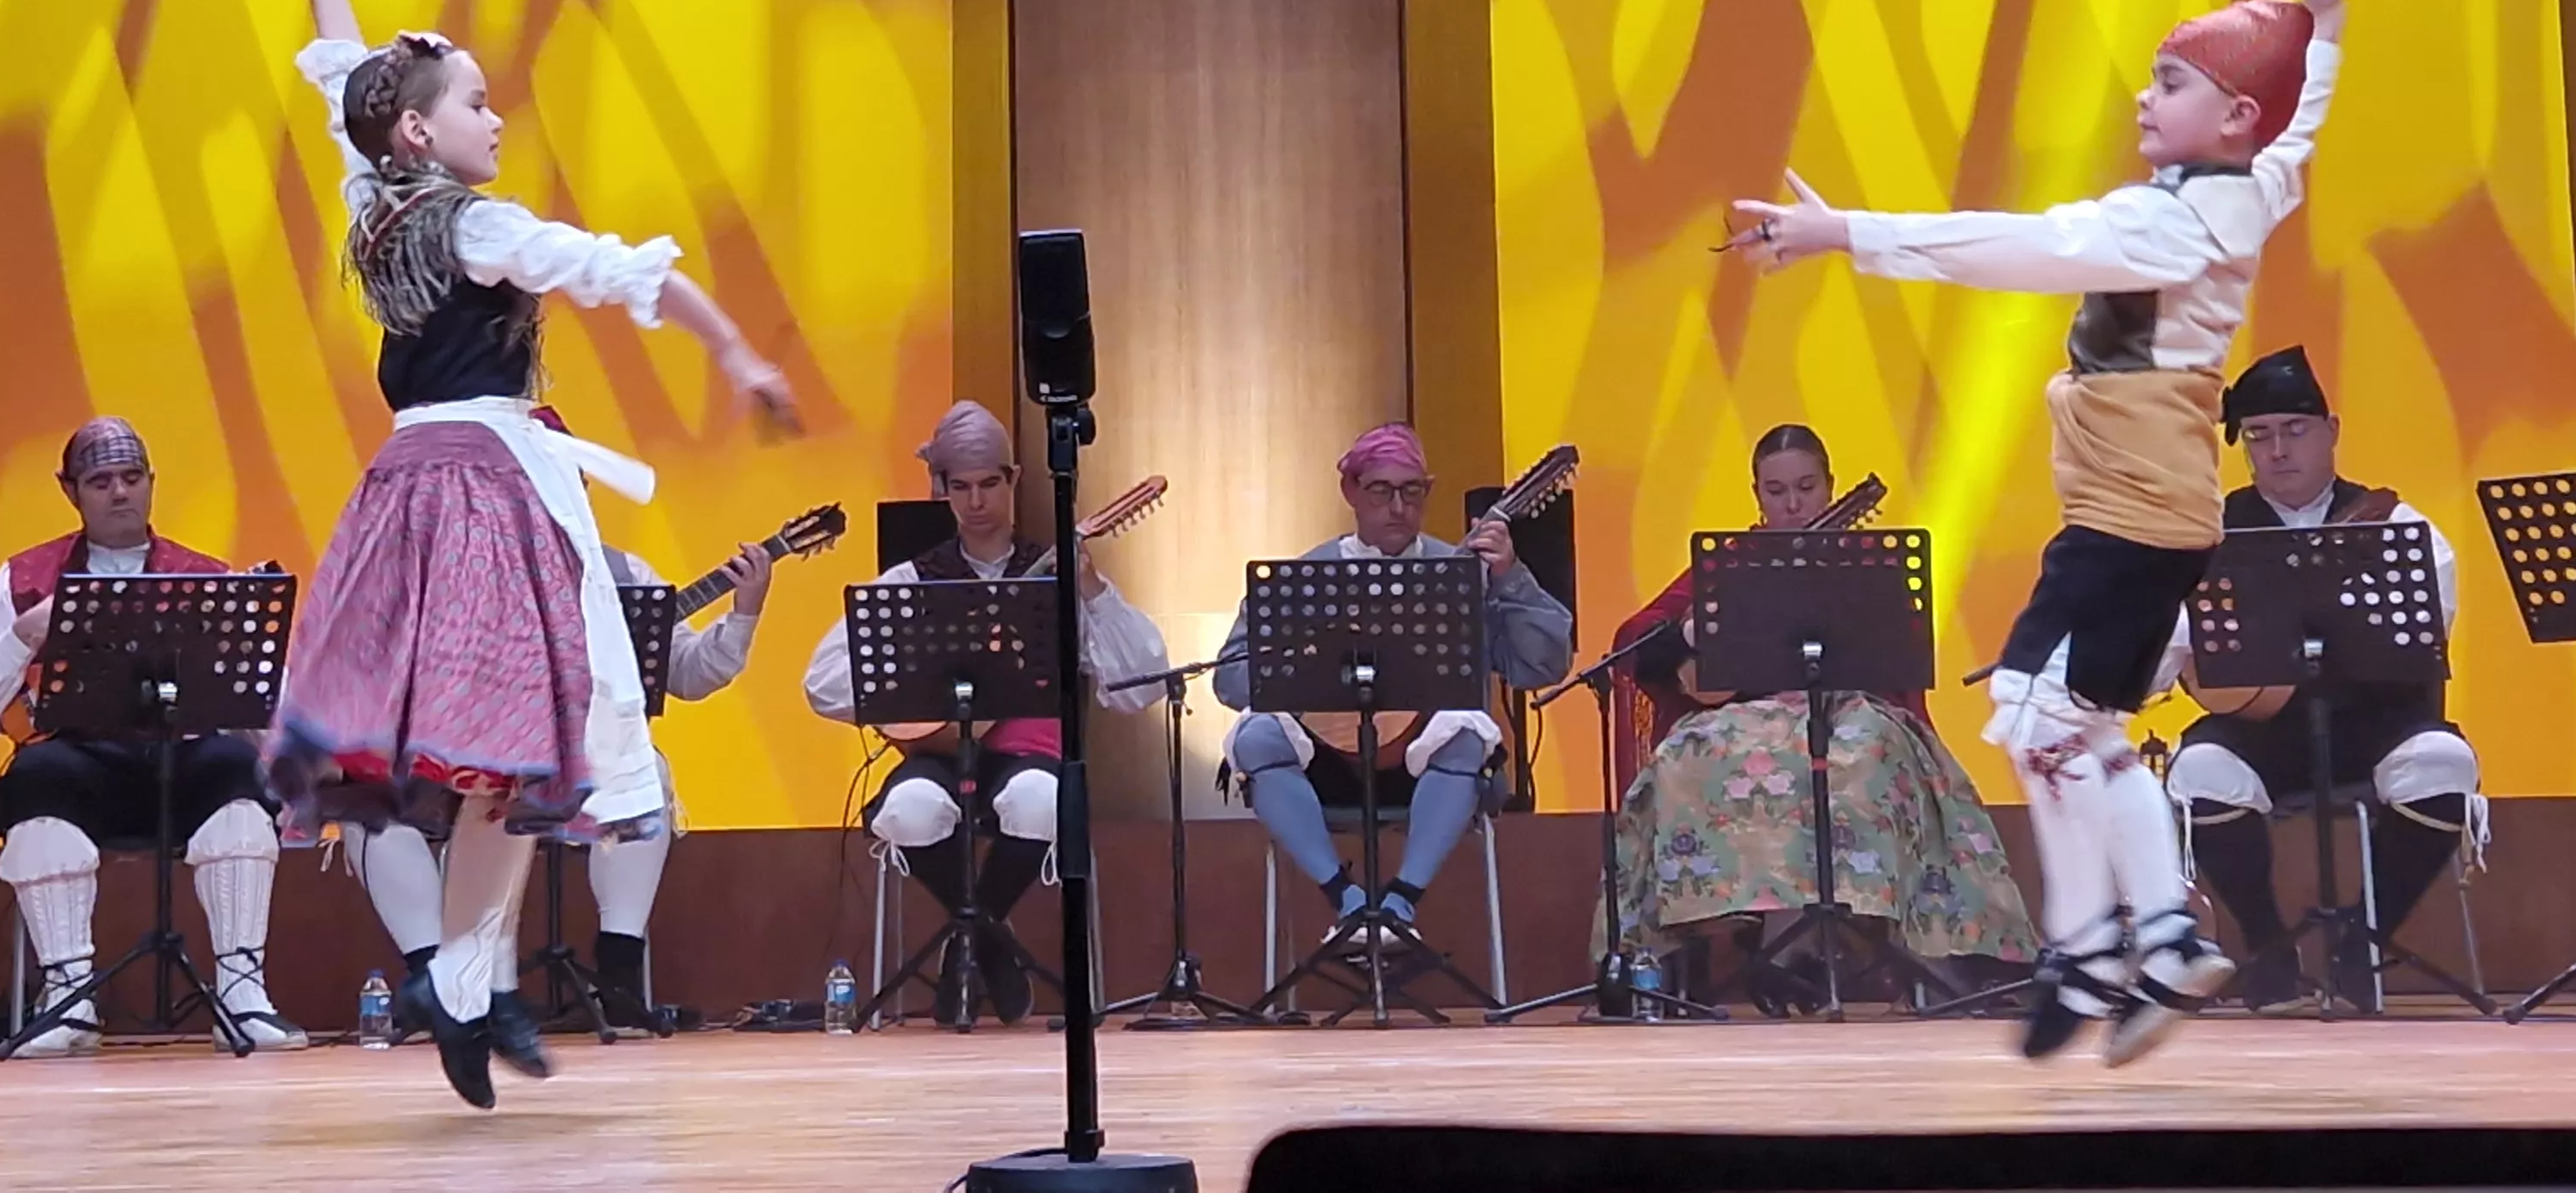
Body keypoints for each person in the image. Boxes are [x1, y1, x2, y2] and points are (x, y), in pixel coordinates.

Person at [1732, 0, 2355, 1063]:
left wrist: (1841, 233)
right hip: (2137, 506)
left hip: (2129, 512)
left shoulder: (2169, 222)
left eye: (2170, 83)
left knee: (2040, 717)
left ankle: (2122, 943)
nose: (2142, 99)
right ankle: (2135, 940)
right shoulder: (2247, 186)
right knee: (2061, 722)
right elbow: (2298, 130)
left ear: (2227, 115)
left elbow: (2015, 247)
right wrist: (2322, 19)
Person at [266, 0, 799, 1108]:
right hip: (482, 491)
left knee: (501, 761)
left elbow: (343, 74)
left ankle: (465, 978)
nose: (496, 113)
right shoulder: (479, 225)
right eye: (475, 100)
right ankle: (464, 976)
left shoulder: (372, 190)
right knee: (513, 749)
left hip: (411, 488)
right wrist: (739, 358)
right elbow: (619, 273)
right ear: (416, 131)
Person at [1601, 424, 2035, 1002]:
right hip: (1743, 719)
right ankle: (1742, 941)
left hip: (1846, 712)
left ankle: (1813, 948)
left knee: (1859, 753)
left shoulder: (1866, 564)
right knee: (1687, 756)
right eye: (1776, 491)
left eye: (1806, 487)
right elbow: (1636, 639)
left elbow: (1898, 655)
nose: (1792, 503)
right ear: (1756, 494)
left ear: (1829, 488)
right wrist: (1686, 632)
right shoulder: (1729, 565)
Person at [0, 418, 306, 1055]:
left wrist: (244, 651)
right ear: (70, 491)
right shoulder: (26, 579)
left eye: (132, 478)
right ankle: (70, 999)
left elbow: (275, 705)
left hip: (181, 760)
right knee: (34, 779)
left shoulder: (204, 575)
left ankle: (243, 994)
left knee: (239, 773)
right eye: (101, 481)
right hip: (80, 764)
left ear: (151, 484)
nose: (120, 493)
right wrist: (24, 636)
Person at [800, 400, 1167, 1027]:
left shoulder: (1054, 577)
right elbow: (823, 684)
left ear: (1014, 480)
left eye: (990, 484)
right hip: (941, 757)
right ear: (941, 490)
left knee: (1040, 801)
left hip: (1029, 754)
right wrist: (907, 713)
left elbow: (1140, 684)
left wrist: (1093, 588)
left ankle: (968, 943)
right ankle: (993, 947)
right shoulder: (913, 581)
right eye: (961, 487)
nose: (976, 502)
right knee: (908, 810)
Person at [348, 505, 778, 1035]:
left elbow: (689, 674)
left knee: (646, 769)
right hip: (473, 763)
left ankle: (619, 973)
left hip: (581, 763)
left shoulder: (625, 575)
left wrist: (745, 611)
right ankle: (439, 983)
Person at [2159, 348, 2475, 1011]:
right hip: (2263, 730)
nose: (2278, 450)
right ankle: (2269, 946)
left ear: (2331, 431)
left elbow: (2421, 634)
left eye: (2294, 430)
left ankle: (2363, 941)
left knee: (2444, 765)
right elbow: (2171, 651)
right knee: (2201, 772)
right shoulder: (2208, 533)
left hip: (2374, 721)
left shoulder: (2397, 524)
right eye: (2259, 436)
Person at [1214, 423, 1572, 959]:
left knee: (1467, 735)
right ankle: (1350, 901)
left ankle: (1401, 903)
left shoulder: (1462, 572)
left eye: (1412, 491)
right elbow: (1230, 678)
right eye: (1381, 490)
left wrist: (1510, 578)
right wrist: (1303, 673)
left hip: (1423, 769)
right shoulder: (1307, 576)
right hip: (1325, 768)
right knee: (1256, 737)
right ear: (1351, 492)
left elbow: (1541, 665)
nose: (1397, 506)